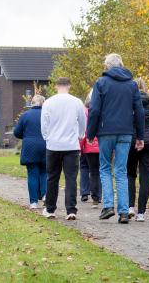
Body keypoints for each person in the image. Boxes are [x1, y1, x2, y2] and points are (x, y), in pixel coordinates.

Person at [86, 53, 145, 224]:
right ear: (121, 65)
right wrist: (140, 136)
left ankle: (108, 207)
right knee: (121, 171)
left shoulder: (101, 83)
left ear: (107, 66)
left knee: (105, 168)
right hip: (126, 132)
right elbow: (139, 111)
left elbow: (94, 110)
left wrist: (90, 134)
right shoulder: (132, 85)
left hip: (105, 132)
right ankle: (124, 212)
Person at [40, 77, 87, 220]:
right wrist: (80, 135)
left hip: (53, 145)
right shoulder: (77, 102)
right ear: (69, 86)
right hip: (71, 145)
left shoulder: (48, 102)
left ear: (56, 86)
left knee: (52, 178)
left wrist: (47, 137)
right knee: (71, 178)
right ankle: (71, 210)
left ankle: (50, 209)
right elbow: (82, 121)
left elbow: (44, 124)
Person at [126, 78, 149, 222]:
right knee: (145, 178)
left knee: (130, 175)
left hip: (131, 141)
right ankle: (141, 213)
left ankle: (130, 207)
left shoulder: (129, 103)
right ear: (145, 87)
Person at [13, 95, 47, 208]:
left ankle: (33, 203)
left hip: (30, 147)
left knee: (32, 174)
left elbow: (17, 132)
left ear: (32, 103)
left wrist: (26, 136)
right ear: (43, 103)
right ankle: (45, 195)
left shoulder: (25, 115)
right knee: (45, 172)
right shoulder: (47, 115)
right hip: (46, 146)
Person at [80, 90, 101, 206]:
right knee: (101, 170)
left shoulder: (84, 111)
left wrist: (80, 147)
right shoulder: (104, 110)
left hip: (88, 145)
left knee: (87, 168)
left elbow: (83, 131)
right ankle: (98, 196)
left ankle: (85, 192)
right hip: (102, 145)